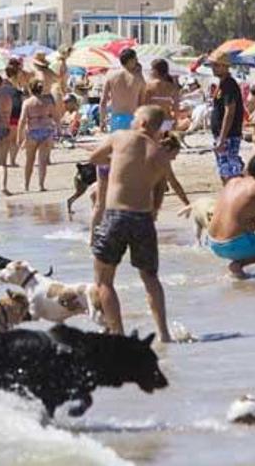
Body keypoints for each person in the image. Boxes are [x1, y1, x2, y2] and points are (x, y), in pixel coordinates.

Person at [88, 105, 179, 343]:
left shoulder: (120, 137)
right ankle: (164, 334)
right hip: (143, 218)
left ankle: (118, 334)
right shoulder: (159, 154)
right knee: (150, 279)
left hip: (116, 215)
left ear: (143, 123)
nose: (130, 121)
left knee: (104, 280)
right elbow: (161, 187)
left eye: (134, 118)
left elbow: (93, 158)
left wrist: (116, 157)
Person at [93, 48, 145, 243]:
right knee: (129, 156)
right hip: (131, 118)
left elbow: (102, 101)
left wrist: (101, 121)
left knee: (114, 155)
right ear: (131, 60)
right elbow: (141, 104)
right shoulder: (138, 79)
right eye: (136, 60)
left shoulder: (111, 75)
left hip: (116, 119)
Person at [209, 50, 245, 184]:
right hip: (222, 135)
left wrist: (223, 138)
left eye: (217, 65)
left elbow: (230, 111)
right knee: (225, 170)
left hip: (228, 135)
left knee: (231, 173)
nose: (213, 68)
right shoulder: (222, 84)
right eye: (213, 65)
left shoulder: (229, 84)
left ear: (225, 66)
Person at [18, 79, 56, 193]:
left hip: (33, 131)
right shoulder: (48, 102)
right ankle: (41, 185)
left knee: (29, 160)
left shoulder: (27, 102)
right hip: (46, 130)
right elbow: (54, 116)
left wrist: (19, 137)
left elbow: (22, 120)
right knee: (42, 161)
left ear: (30, 89)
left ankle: (26, 185)